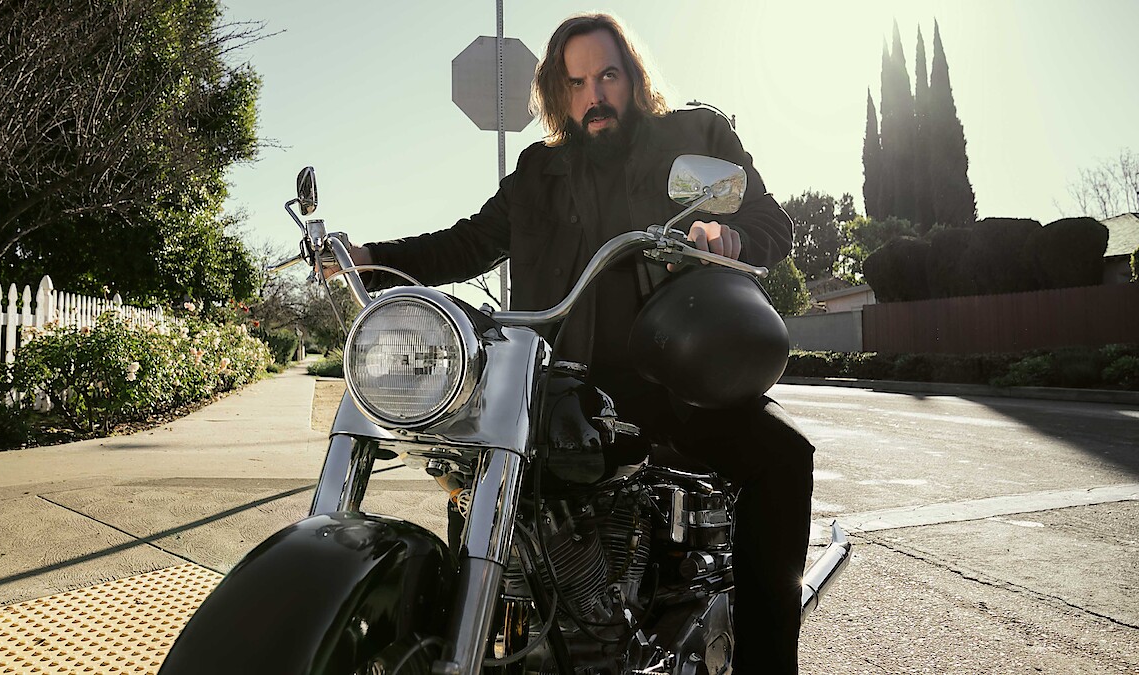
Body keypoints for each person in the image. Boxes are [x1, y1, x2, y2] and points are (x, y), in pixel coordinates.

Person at [345, 13, 813, 673]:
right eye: (577, 82)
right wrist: (370, 256)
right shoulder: (539, 170)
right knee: (474, 474)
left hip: (672, 380)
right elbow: (468, 241)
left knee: (784, 455)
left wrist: (728, 236)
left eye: (607, 75)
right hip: (549, 386)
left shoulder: (692, 137)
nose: (594, 94)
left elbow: (771, 221)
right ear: (559, 94)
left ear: (632, 78)